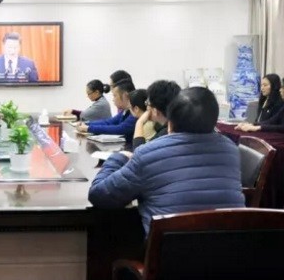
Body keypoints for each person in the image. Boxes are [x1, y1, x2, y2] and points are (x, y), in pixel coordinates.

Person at [88, 87, 245, 236]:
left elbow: (99, 195)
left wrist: (118, 158)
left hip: (170, 252)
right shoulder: (231, 150)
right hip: (230, 250)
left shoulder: (147, 154)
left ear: (170, 123)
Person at [76, 80, 138, 146]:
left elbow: (120, 128)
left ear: (125, 96)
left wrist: (88, 128)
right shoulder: (125, 111)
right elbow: (109, 122)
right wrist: (87, 124)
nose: (113, 99)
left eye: (115, 96)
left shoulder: (135, 113)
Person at [132, 80, 182, 149]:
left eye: (147, 103)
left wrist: (139, 123)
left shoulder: (166, 133)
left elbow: (138, 151)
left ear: (155, 110)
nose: (146, 108)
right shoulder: (180, 124)